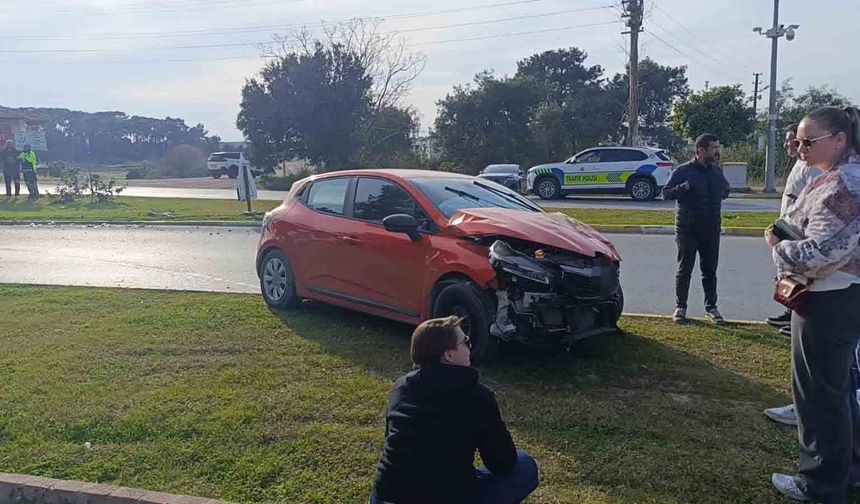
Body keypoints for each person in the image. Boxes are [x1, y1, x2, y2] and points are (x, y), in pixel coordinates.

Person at [766, 106, 860, 504]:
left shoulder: (843, 185)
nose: (800, 147)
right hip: (839, 295)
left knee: (820, 396)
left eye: (809, 141)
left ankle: (819, 485)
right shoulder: (838, 177)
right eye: (799, 141)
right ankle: (846, 473)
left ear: (839, 139)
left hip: (828, 299)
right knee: (837, 391)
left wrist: (779, 246)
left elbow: (823, 252)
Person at [371, 316, 539, 504]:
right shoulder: (476, 396)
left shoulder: (401, 387)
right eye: (465, 342)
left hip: (387, 496)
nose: (470, 346)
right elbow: (503, 463)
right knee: (526, 465)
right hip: (446, 496)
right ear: (448, 355)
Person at [662, 133, 730, 325]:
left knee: (710, 271)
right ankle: (680, 307)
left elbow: (724, 191)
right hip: (687, 229)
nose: (717, 151)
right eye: (713, 148)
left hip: (711, 229)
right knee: (685, 269)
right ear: (700, 150)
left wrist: (724, 190)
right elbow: (665, 193)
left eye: (718, 147)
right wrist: (683, 188)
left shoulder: (716, 171)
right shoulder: (683, 170)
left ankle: (711, 307)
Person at [766, 124, 824, 337]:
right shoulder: (799, 164)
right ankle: (789, 310)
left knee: (799, 275)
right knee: (789, 275)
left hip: (800, 229)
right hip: (788, 224)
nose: (789, 145)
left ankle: (797, 317)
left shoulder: (812, 166)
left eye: (794, 141)